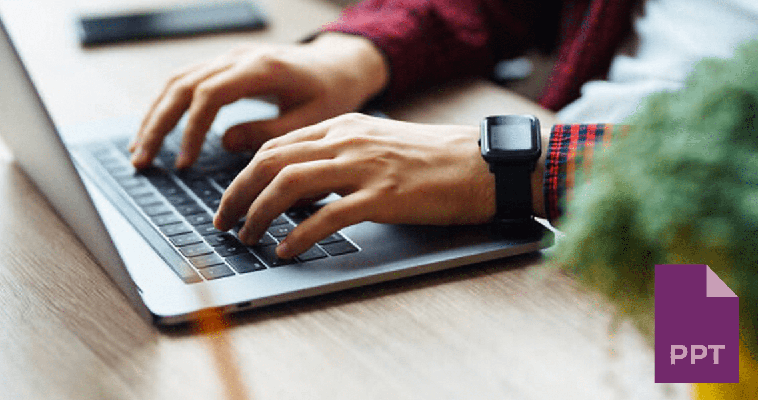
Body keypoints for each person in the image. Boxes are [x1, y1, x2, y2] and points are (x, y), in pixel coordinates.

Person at [127, 0, 758, 259]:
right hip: (560, 223)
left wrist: (519, 168)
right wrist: (358, 54)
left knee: (690, 367)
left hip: (702, 256)